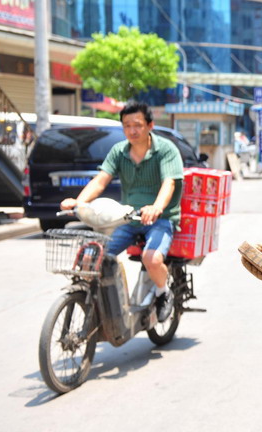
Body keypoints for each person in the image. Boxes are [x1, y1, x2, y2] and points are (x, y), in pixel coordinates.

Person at [61, 101, 184, 322]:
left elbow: (169, 183)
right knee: (94, 256)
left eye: (137, 125)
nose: (132, 130)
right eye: (127, 125)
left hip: (160, 219)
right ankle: (100, 303)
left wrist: (156, 208)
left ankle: (163, 292)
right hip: (127, 218)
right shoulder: (119, 151)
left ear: (149, 125)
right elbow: (101, 181)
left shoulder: (166, 150)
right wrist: (78, 202)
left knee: (152, 258)